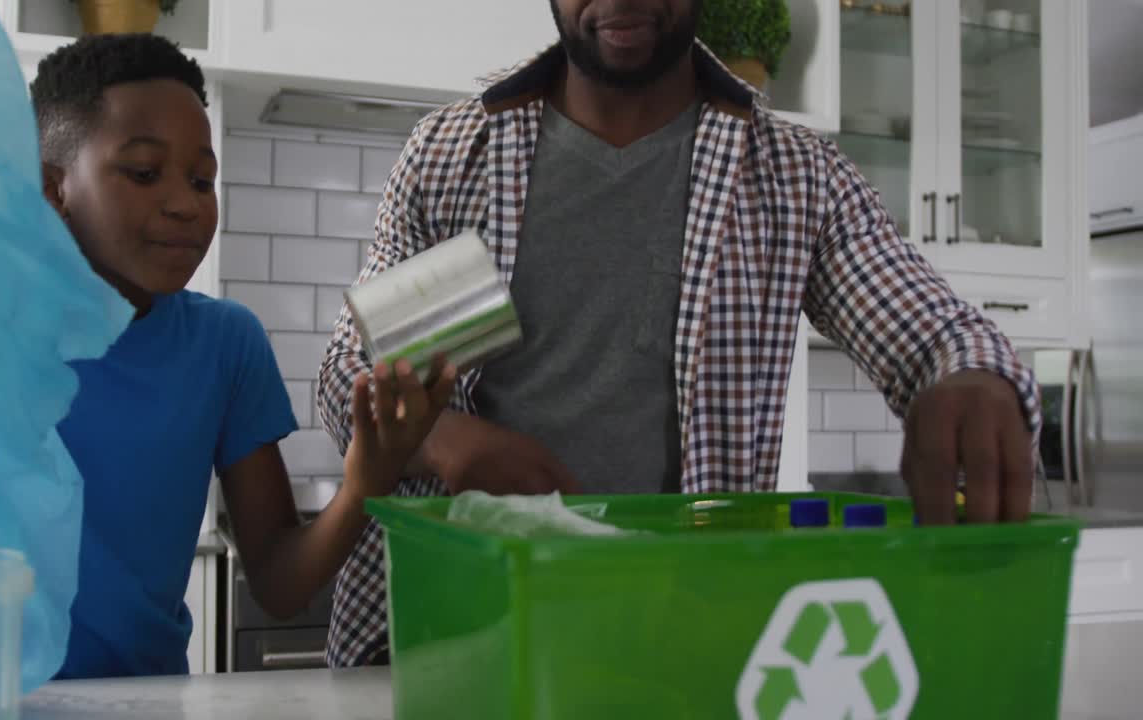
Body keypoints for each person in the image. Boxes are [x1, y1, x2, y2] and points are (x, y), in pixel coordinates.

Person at [318, 0, 1041, 667]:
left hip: (680, 645)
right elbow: (350, 370)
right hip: (456, 639)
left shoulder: (794, 175)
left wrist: (970, 377)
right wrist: (447, 440)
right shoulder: (452, 156)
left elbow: (933, 330)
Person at [31, 34, 456, 679]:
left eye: (202, 179)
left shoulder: (225, 344)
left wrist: (367, 483)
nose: (185, 203)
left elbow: (280, 586)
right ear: (53, 189)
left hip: (149, 701)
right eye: (145, 173)